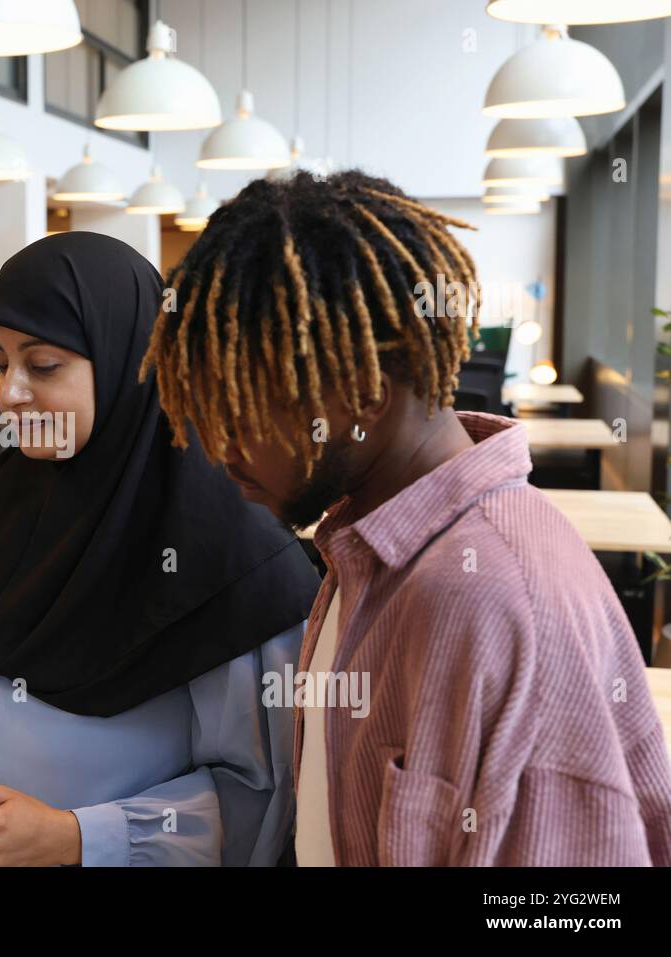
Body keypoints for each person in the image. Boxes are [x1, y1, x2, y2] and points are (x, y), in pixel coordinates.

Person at [141, 169, 671, 865]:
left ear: (363, 394)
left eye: (243, 413)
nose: (218, 447)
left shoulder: (494, 598)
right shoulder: (363, 545)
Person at [0, 232, 320, 866]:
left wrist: (74, 837)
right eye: (0, 362)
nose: (8, 392)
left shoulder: (232, 560)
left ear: (131, 362)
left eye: (42, 366)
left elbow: (261, 795)